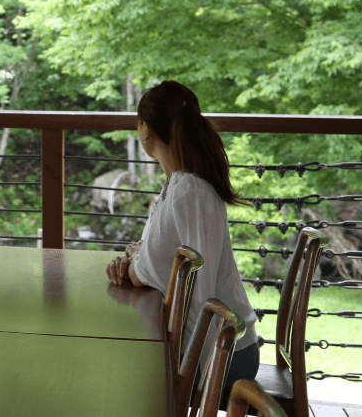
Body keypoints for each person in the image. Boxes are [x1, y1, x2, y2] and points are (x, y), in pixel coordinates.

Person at [105, 80, 258, 407]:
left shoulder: (190, 191)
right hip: (222, 345)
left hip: (225, 354)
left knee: (114, 374)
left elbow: (145, 266)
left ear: (145, 131)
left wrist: (135, 264)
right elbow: (151, 255)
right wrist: (135, 260)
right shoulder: (180, 185)